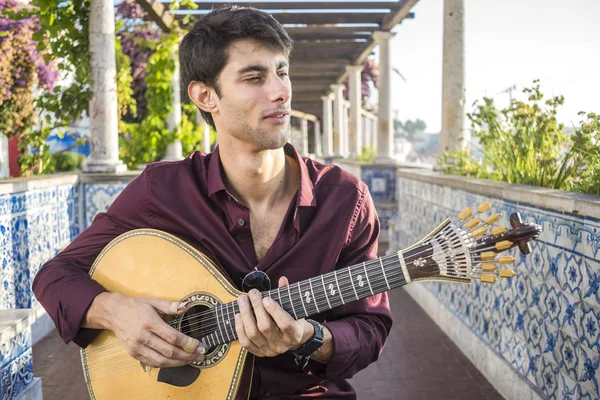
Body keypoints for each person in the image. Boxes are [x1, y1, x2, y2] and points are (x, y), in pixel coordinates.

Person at [32, 5, 392, 399]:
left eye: (282, 71)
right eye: (255, 77)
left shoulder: (345, 198)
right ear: (206, 96)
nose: (280, 91)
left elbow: (370, 328)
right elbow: (56, 274)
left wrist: (308, 337)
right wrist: (116, 311)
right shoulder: (162, 191)